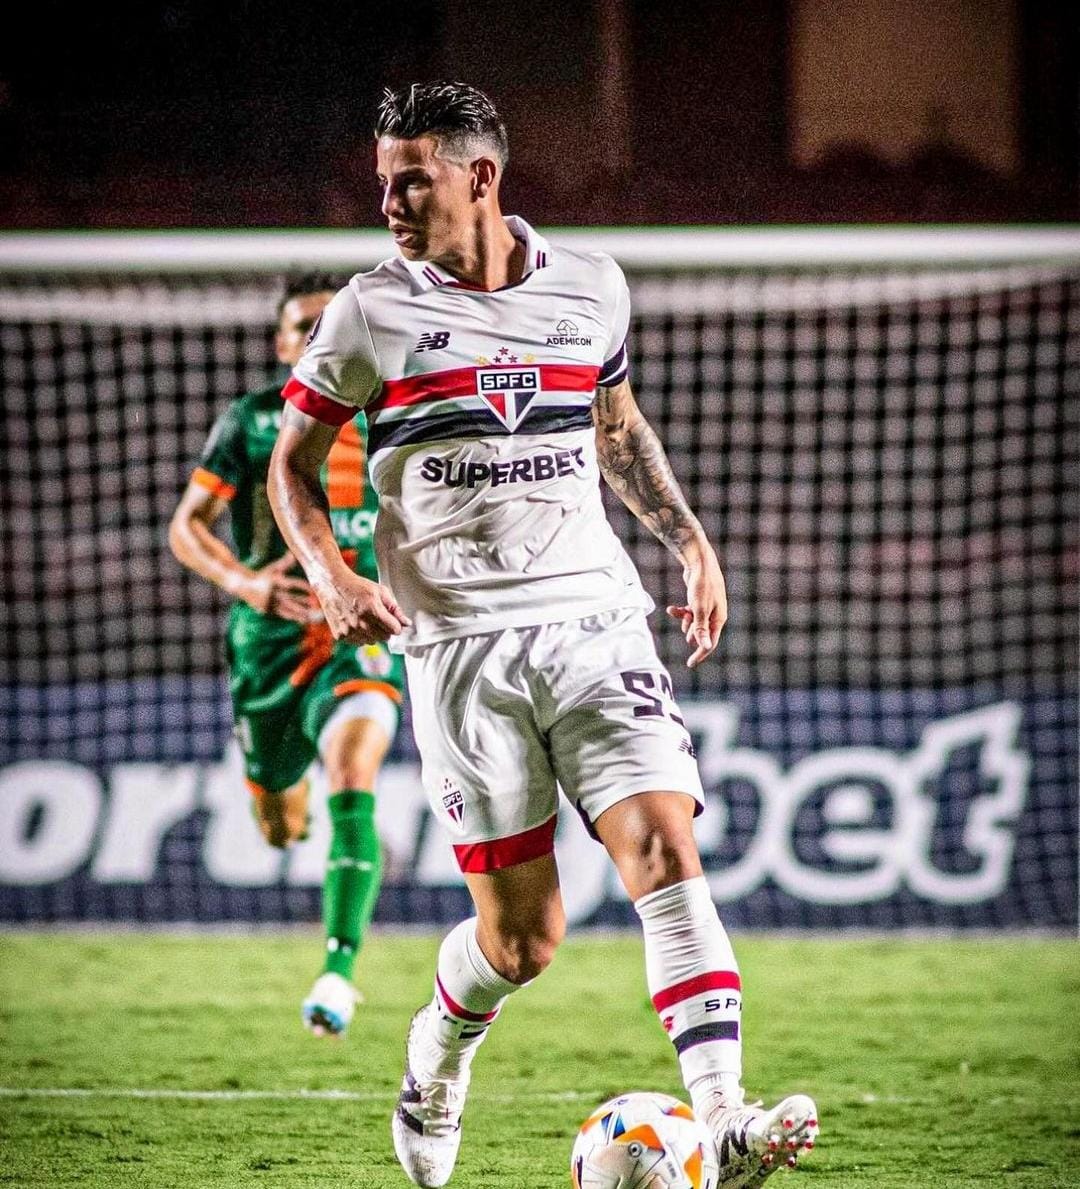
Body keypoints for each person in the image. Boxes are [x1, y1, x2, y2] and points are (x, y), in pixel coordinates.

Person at [268, 83, 818, 1187]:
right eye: (383, 181)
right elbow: (290, 465)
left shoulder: (591, 288)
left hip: (594, 621)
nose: (389, 201)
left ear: (481, 177)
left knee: (665, 851)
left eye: (410, 179)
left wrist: (688, 537)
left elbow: (613, 426)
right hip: (461, 651)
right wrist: (330, 571)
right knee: (523, 940)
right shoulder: (371, 310)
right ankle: (438, 1049)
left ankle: (724, 1121)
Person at [168, 275, 404, 1039]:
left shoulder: (392, 407)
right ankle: (332, 833)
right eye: (301, 326)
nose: (313, 336)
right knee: (278, 824)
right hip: (266, 645)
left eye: (326, 323)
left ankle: (338, 971)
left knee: (352, 768)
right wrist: (244, 582)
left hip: (357, 632)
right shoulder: (254, 419)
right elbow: (188, 527)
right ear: (279, 343)